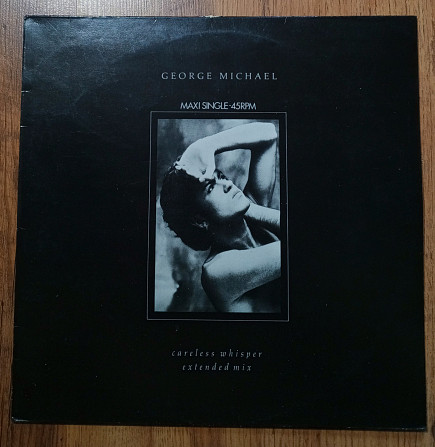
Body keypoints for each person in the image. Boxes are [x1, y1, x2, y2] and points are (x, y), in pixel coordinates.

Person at [160, 121, 281, 313]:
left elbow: (268, 133)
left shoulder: (251, 210)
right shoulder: (217, 271)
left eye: (221, 177)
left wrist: (207, 144)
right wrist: (250, 207)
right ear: (200, 220)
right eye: (210, 187)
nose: (228, 184)